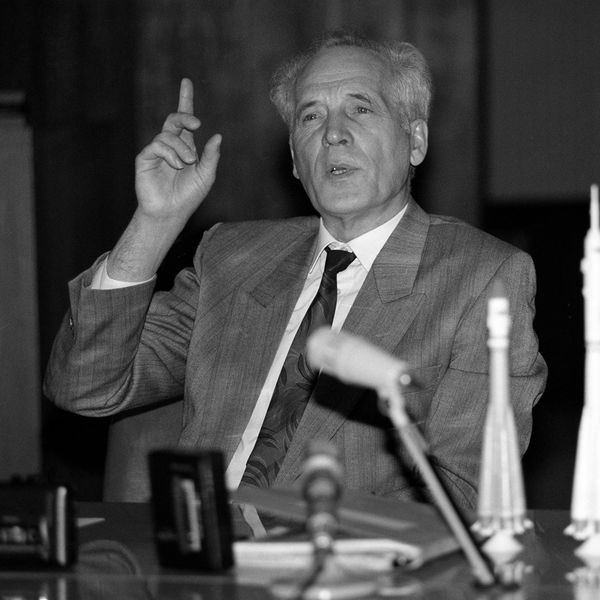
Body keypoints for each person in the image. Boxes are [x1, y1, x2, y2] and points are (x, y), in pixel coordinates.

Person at [44, 32, 547, 512]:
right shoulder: (232, 258)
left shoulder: (482, 277)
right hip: (199, 546)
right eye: (311, 116)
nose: (333, 134)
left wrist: (295, 536)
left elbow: (463, 492)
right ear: (294, 159)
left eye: (360, 109)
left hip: (341, 556)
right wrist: (154, 225)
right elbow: (85, 387)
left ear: (415, 141)